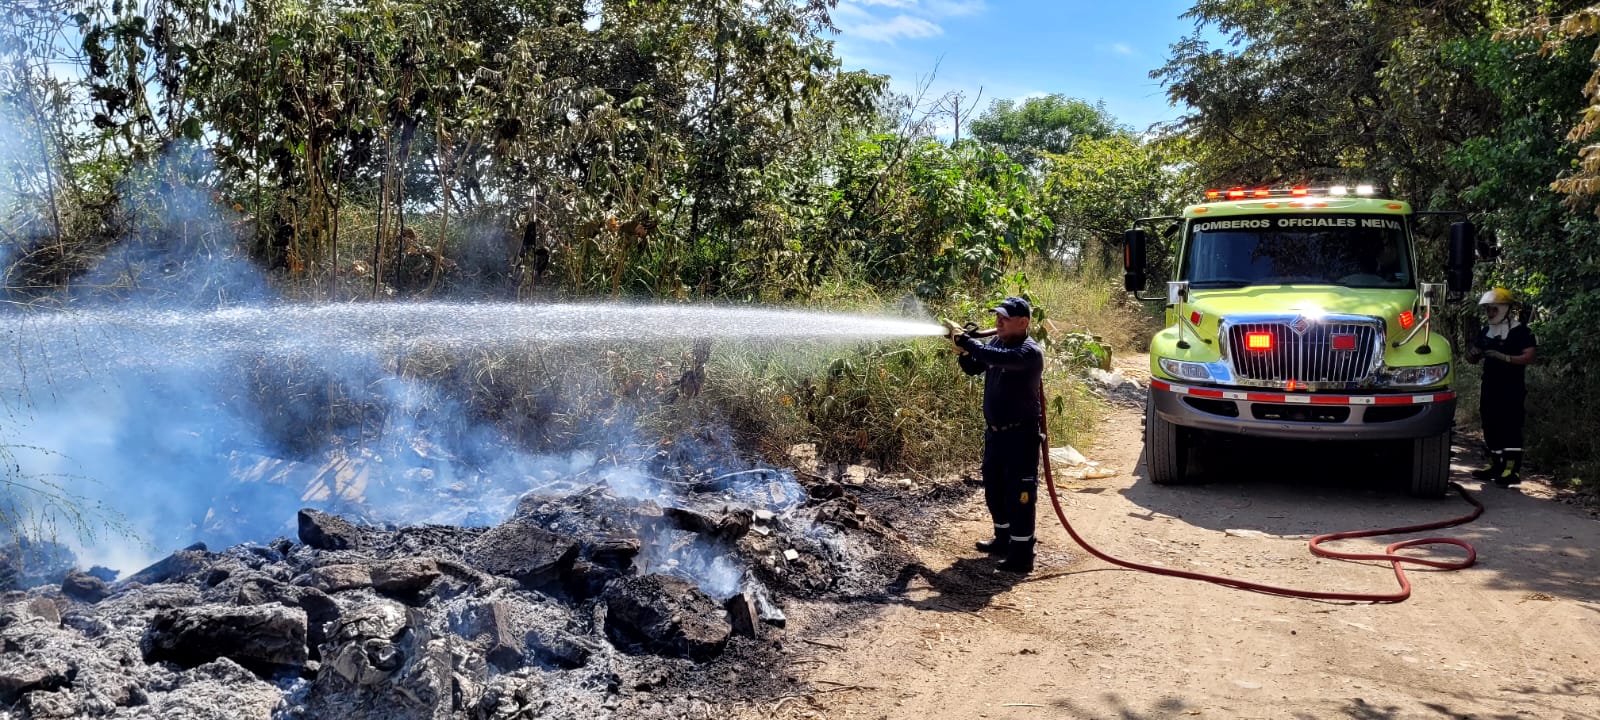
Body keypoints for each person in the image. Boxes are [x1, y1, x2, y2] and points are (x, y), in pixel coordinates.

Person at [951, 296, 1046, 573]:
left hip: (1021, 436)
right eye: (997, 316)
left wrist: (969, 342)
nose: (998, 321)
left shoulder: (1029, 352)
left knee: (1020, 494)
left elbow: (995, 358)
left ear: (1023, 322)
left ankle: (1021, 555)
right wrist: (963, 351)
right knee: (994, 488)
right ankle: (1002, 539)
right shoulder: (997, 343)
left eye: (1005, 317)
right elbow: (974, 367)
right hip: (995, 434)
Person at [1464, 287, 1537, 485]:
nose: (1489, 313)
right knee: (1490, 422)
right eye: (1487, 310)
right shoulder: (1486, 331)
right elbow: (1473, 356)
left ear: (1505, 309)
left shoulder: (1520, 331)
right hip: (1490, 385)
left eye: (1493, 309)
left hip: (1511, 386)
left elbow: (1529, 356)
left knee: (1510, 424)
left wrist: (1506, 357)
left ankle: (1511, 469)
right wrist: (1472, 354)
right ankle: (1494, 464)